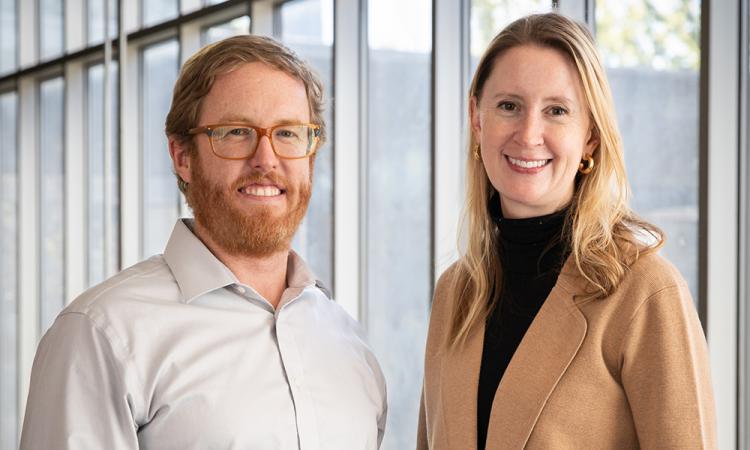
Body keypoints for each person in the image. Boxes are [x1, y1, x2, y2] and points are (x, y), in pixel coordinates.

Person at [21, 35, 387, 449]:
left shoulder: (347, 342)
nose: (266, 159)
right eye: (235, 132)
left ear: (310, 155)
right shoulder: (102, 334)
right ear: (182, 157)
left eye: (287, 133)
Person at [417, 13, 715, 450]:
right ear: (476, 119)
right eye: (509, 106)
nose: (529, 134)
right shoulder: (454, 294)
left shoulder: (646, 292)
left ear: (590, 135)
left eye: (556, 110)